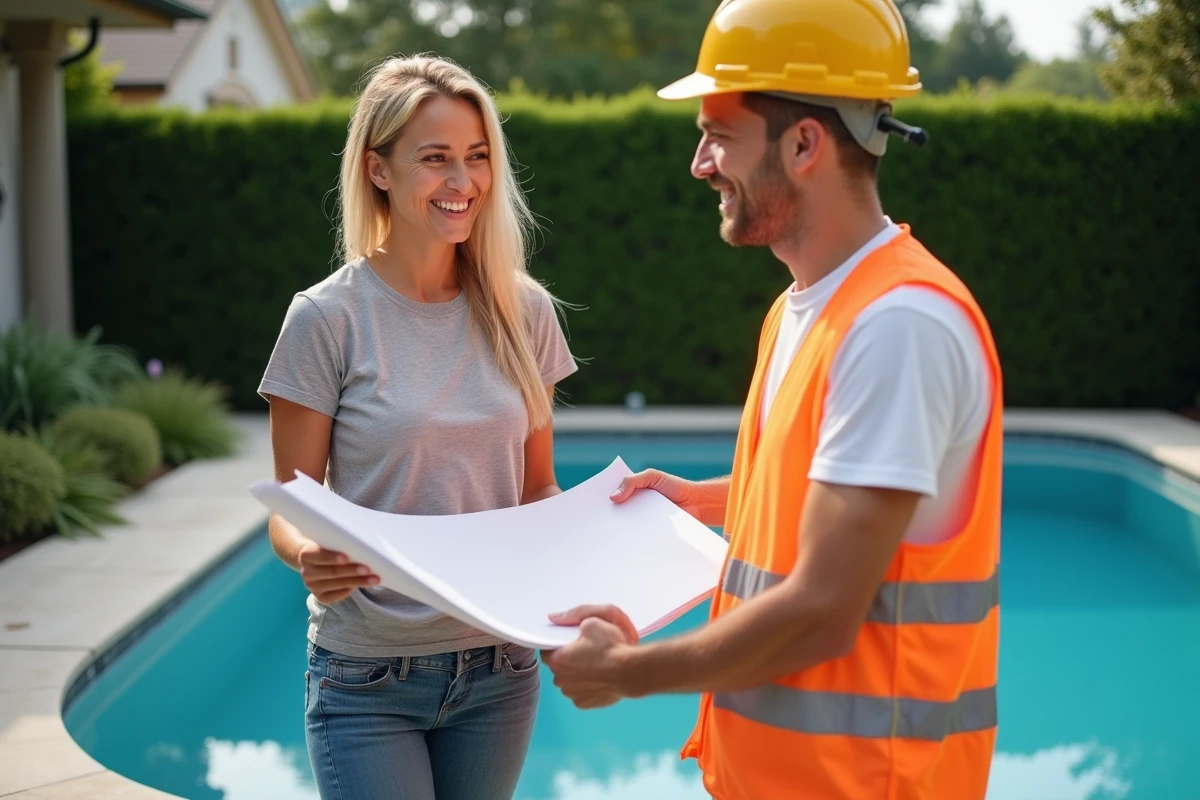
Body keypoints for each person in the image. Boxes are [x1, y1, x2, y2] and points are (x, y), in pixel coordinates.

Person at [542, 1, 1004, 798]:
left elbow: (822, 609)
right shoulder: (810, 306)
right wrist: (709, 501)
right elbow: (836, 496)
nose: (700, 163)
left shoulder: (898, 325)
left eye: (717, 133)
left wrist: (628, 672)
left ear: (803, 143)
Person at [258, 54, 577, 800]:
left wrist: (594, 555)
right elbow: (288, 505)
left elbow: (537, 489)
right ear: (378, 169)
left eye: (476, 158)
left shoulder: (524, 311)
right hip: (367, 677)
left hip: (499, 669)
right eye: (435, 159)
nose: (462, 183)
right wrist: (309, 552)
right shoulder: (326, 318)